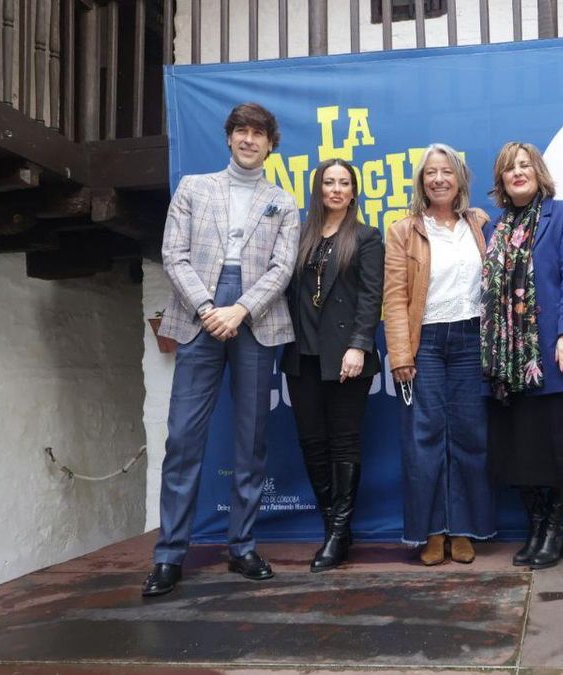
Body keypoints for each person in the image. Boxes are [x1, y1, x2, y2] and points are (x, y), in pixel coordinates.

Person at [143, 102, 300, 597]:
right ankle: (170, 555)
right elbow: (173, 253)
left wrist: (240, 310)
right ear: (229, 138)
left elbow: (282, 267)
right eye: (242, 131)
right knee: (184, 438)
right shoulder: (194, 187)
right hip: (197, 314)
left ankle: (243, 546)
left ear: (271, 144)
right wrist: (210, 306)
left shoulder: (284, 201)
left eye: (259, 133)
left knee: (251, 439)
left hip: (256, 318)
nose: (250, 140)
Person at [484, 142, 563, 570]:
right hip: (507, 362)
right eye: (509, 168)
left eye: (525, 165)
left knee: (558, 446)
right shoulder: (492, 229)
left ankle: (555, 528)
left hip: (554, 355)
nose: (518, 173)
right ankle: (535, 525)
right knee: (520, 448)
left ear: (539, 172)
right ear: (500, 180)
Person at [382, 143, 496, 565]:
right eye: (431, 173)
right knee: (423, 439)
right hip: (425, 343)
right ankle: (432, 532)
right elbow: (394, 298)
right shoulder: (403, 230)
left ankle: (464, 529)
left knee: (470, 435)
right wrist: (400, 355)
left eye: (447, 171)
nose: (439, 179)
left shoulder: (478, 224)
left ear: (460, 178)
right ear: (421, 182)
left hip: (471, 340)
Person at [281, 159, 384, 572]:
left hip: (346, 357)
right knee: (312, 443)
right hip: (301, 354)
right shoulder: (299, 236)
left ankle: (339, 534)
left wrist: (359, 345)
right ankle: (333, 529)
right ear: (318, 189)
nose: (337, 189)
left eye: (344, 182)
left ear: (354, 192)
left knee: (344, 442)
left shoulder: (366, 237)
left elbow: (370, 297)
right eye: (329, 182)